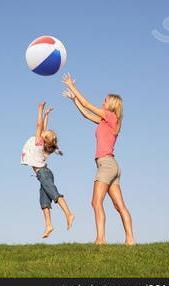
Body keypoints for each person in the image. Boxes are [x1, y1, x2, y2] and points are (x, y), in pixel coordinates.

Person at [61, 73, 135, 245]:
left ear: (112, 105)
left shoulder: (110, 116)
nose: (103, 102)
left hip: (106, 165)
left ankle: (100, 239)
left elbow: (88, 104)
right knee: (119, 206)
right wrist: (74, 101)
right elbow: (86, 114)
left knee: (96, 202)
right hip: (112, 165)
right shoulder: (106, 121)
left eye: (105, 100)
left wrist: (72, 86)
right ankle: (130, 240)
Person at [21, 101, 75, 238]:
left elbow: (39, 126)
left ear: (43, 140)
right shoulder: (45, 146)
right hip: (44, 174)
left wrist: (40, 109)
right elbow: (43, 128)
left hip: (44, 174)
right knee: (44, 202)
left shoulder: (39, 144)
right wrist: (46, 115)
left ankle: (69, 214)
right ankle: (49, 225)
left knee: (55, 194)